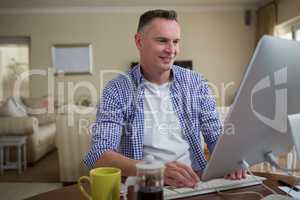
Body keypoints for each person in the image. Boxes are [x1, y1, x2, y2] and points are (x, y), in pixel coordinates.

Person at [84, 9, 245, 188]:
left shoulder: (196, 82)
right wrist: (154, 170)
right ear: (139, 41)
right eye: (162, 41)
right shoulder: (117, 90)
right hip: (145, 186)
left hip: (194, 183)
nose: (171, 50)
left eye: (175, 42)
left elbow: (215, 136)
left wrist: (231, 159)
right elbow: (98, 155)